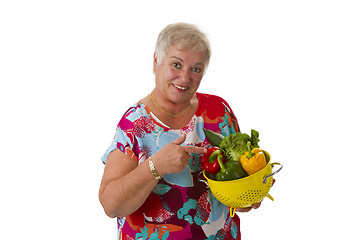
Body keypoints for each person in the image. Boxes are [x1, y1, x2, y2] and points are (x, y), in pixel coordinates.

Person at [99, 22, 261, 240]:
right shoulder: (134, 123)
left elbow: (238, 172)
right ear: (156, 61)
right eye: (176, 65)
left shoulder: (219, 111)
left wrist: (246, 193)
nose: (185, 78)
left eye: (196, 69)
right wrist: (155, 166)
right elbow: (111, 205)